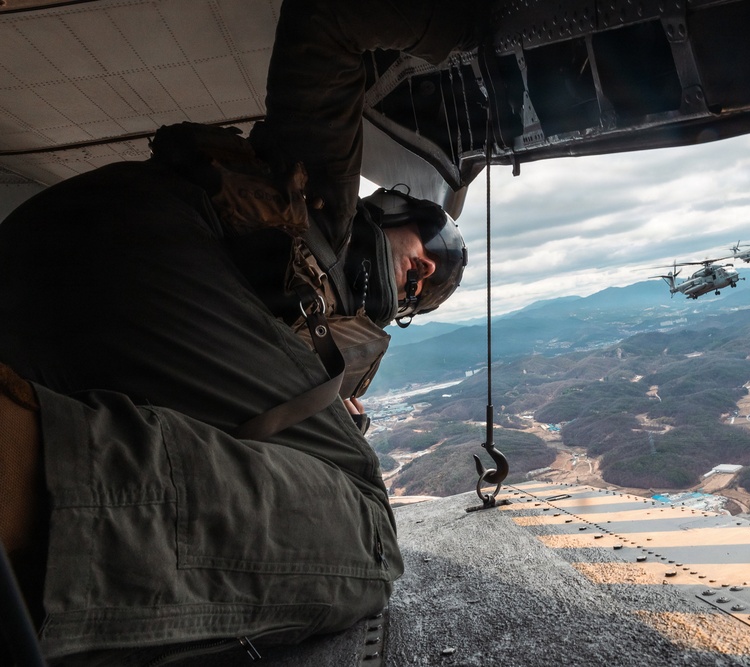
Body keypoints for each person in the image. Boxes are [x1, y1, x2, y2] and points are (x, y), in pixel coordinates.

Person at [0, 0, 481, 662]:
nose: (422, 274)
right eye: (426, 248)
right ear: (388, 211)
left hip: (33, 291)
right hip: (147, 257)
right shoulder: (325, 202)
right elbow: (327, 19)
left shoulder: (312, 327)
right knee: (371, 533)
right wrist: (470, 30)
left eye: (423, 291)